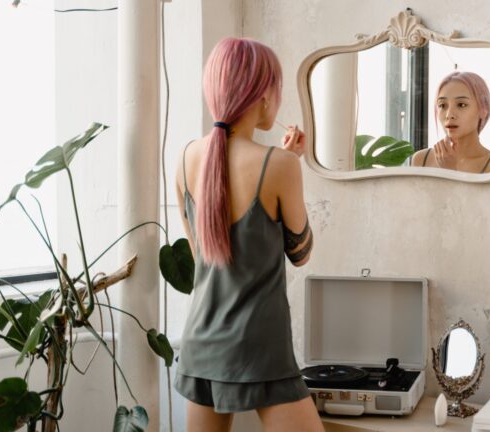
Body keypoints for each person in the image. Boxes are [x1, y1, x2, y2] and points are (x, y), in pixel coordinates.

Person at [173, 37, 323, 432]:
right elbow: (301, 252)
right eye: (276, 86)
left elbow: (201, 254)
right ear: (260, 95)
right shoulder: (279, 165)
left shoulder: (187, 157)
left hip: (201, 344)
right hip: (259, 350)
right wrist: (291, 163)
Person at [411, 71, 490, 173]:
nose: (449, 115)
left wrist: (449, 171)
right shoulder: (421, 160)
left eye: (461, 105)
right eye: (442, 105)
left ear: (483, 110)